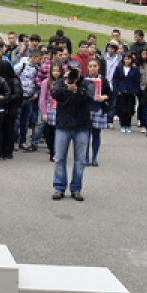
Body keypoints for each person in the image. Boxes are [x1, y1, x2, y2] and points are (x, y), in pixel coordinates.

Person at [51, 66, 93, 201]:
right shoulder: (61, 82)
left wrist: (76, 90)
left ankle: (76, 189)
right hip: (63, 125)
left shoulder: (87, 83)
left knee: (80, 160)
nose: (74, 74)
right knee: (59, 158)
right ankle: (59, 188)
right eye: (71, 71)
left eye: (76, 71)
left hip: (81, 126)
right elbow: (54, 93)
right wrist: (65, 85)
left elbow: (90, 97)